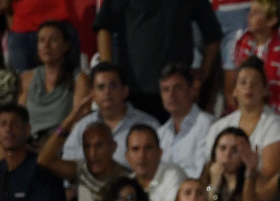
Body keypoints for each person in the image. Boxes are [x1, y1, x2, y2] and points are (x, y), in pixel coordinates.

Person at [93, 0, 222, 122]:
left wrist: (204, 72)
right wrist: (109, 72)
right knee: (136, 143)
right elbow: (104, 28)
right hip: (133, 91)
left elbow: (213, 34)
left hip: (177, 92)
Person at [58, 64, 160, 167]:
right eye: (101, 87)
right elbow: (68, 163)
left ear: (125, 91)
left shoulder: (148, 124)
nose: (107, 92)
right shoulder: (83, 126)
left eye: (113, 85)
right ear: (92, 94)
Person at [207, 59, 280, 176]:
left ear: (265, 91)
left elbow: (269, 176)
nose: (249, 87)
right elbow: (208, 172)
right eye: (243, 82)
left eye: (255, 83)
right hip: (219, 192)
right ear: (234, 91)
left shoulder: (277, 125)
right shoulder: (219, 126)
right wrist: (212, 190)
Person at [20, 22, 88, 139]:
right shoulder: (27, 77)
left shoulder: (79, 79)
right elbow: (19, 119)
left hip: (62, 144)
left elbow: (79, 122)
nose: (46, 45)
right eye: (42, 40)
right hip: (30, 145)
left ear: (66, 46)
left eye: (53, 40)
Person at [231, 0, 280, 117]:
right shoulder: (243, 42)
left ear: (272, 20)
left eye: (256, 13)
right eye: (250, 11)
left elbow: (279, 95)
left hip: (268, 114)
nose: (250, 16)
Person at [156, 65, 214, 180]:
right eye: (165, 90)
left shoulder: (208, 124)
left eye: (177, 88)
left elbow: (204, 173)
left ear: (192, 90)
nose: (171, 95)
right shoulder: (160, 133)